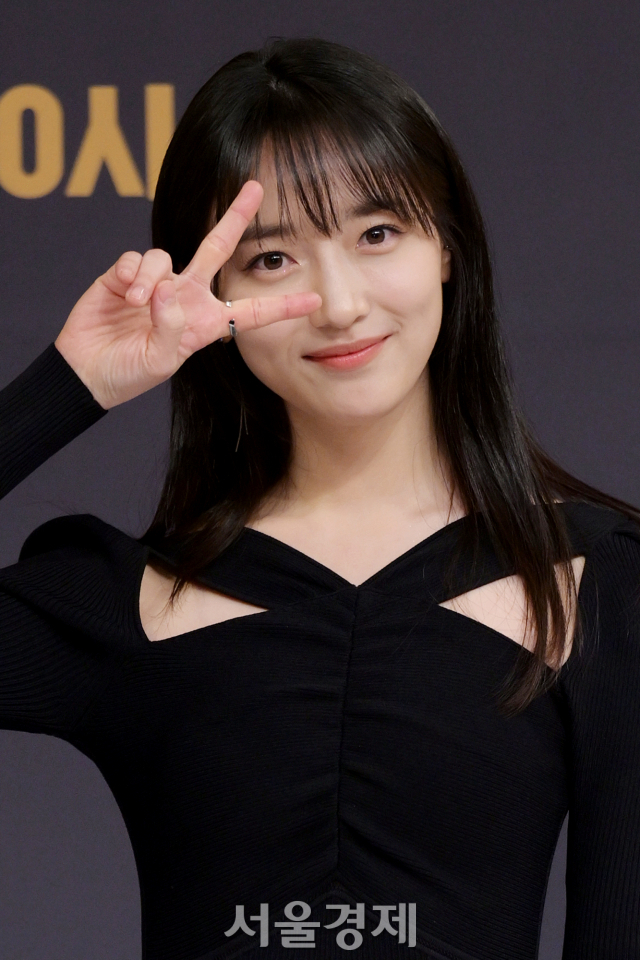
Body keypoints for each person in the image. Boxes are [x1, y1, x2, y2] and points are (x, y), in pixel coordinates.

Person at [1, 35, 640, 960]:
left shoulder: (598, 585)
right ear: (213, 295)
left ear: (446, 246)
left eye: (377, 235)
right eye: (271, 259)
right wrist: (71, 384)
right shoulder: (131, 598)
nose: (338, 304)